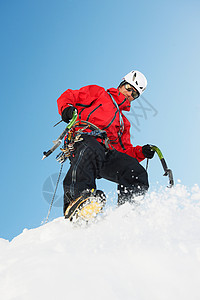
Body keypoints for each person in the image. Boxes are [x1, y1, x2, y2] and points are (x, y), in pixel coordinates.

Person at [57, 70, 155, 219]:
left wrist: (141, 152)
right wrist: (67, 109)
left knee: (136, 172)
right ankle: (78, 199)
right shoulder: (99, 93)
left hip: (104, 154)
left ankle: (127, 212)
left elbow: (124, 151)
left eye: (134, 95)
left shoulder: (123, 123)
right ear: (122, 85)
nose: (130, 95)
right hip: (84, 140)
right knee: (92, 147)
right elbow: (69, 96)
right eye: (129, 89)